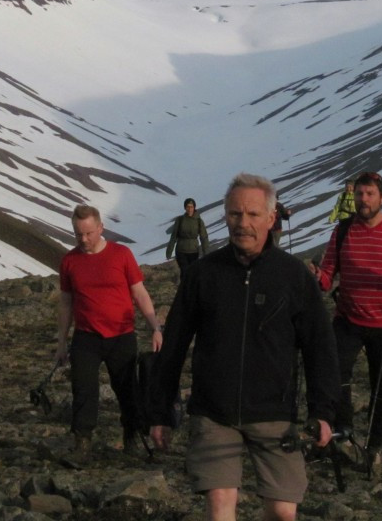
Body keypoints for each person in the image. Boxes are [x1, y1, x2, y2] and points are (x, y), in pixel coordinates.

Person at [150, 173, 340, 521]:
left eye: (253, 215)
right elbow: (174, 343)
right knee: (220, 506)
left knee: (282, 512)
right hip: (213, 412)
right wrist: (161, 411)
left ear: (271, 218)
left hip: (275, 413)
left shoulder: (294, 277)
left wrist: (323, 412)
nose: (243, 223)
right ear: (225, 216)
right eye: (236, 214)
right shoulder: (202, 275)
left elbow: (319, 347)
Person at [317, 171, 382, 464]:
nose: (363, 200)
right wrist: (317, 278)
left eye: (369, 194)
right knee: (336, 372)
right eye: (359, 194)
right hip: (348, 318)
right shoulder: (342, 231)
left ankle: (374, 445)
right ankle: (344, 430)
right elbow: (328, 274)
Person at [56, 204, 164, 460]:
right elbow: (66, 302)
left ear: (101, 228)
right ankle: (82, 444)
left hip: (121, 336)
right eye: (78, 234)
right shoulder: (70, 261)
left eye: (89, 233)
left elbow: (139, 292)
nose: (83, 239)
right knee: (83, 390)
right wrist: (61, 341)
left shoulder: (121, 254)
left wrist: (155, 327)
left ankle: (133, 437)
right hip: (86, 337)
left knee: (128, 389)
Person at [166, 197, 210, 276]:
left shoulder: (199, 221)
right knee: (184, 271)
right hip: (181, 251)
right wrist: (169, 251)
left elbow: (204, 237)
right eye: (188, 207)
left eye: (191, 207)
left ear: (194, 208)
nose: (189, 209)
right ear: (185, 208)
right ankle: (184, 288)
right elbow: (174, 236)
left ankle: (191, 288)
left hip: (194, 252)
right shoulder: (180, 220)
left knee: (192, 272)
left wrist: (206, 253)